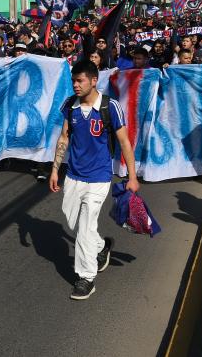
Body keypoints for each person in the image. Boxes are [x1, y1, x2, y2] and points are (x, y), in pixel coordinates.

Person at [49, 60, 138, 300]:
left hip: (99, 177)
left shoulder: (110, 107)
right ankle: (101, 247)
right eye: (73, 81)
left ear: (94, 80)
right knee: (73, 222)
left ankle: (86, 278)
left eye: (80, 81)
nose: (76, 85)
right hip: (74, 176)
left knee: (85, 228)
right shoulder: (70, 105)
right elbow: (63, 139)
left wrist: (132, 176)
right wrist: (55, 170)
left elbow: (124, 143)